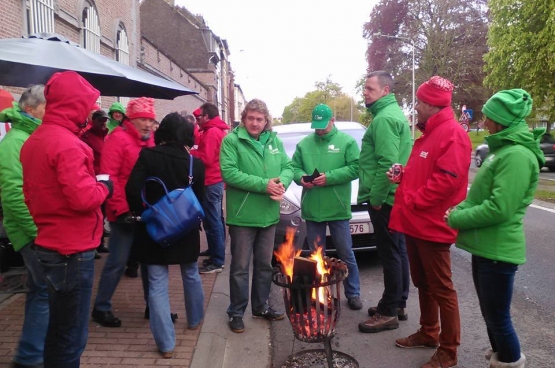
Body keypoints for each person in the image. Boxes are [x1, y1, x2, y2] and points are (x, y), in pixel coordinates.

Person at [19, 71, 112, 368]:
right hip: (72, 250)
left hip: (49, 241)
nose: (89, 111)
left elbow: (32, 193)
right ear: (74, 105)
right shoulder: (69, 144)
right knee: (70, 337)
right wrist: (104, 186)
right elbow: (83, 199)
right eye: (86, 104)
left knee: (58, 330)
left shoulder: (35, 140)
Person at [446, 89, 540, 368]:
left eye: (488, 117)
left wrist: (456, 219)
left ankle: (510, 362)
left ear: (501, 119)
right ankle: (502, 360)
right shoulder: (503, 151)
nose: (484, 122)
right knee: (491, 316)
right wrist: (458, 209)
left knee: (498, 319)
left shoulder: (517, 156)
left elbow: (500, 208)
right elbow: (479, 196)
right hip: (486, 248)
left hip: (498, 251)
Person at [389, 76, 471, 368]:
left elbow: (447, 180)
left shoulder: (452, 134)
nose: (416, 108)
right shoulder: (430, 133)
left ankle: (448, 352)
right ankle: (428, 333)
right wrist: (404, 175)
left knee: (441, 288)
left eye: (419, 103)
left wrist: (415, 200)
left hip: (432, 225)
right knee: (423, 282)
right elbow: (427, 170)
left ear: (432, 105)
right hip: (416, 222)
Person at [126, 112, 205, 359]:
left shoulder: (148, 156)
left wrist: (144, 213)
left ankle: (166, 344)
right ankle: (194, 320)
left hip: (156, 229)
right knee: (190, 273)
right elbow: (199, 199)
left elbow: (131, 189)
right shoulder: (196, 164)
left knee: (158, 283)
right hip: (186, 228)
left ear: (163, 132)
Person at [220, 98, 293, 333]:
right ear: (243, 119)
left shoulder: (274, 141)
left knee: (264, 265)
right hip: (243, 216)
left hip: (269, 215)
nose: (254, 123)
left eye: (259, 119)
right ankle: (236, 312)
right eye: (250, 118)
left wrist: (282, 184)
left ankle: (260, 307)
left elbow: (288, 167)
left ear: (266, 121)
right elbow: (229, 173)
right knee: (240, 267)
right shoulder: (232, 141)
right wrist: (265, 185)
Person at [91, 97, 156, 328]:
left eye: (150, 119)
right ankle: (101, 307)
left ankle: (153, 307)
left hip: (146, 211)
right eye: (143, 119)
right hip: (124, 213)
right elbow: (109, 177)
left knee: (150, 262)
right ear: (131, 119)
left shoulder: (149, 141)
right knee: (117, 261)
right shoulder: (117, 139)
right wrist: (120, 209)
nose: (148, 124)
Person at [291, 103, 363, 310]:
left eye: (323, 125)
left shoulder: (346, 142)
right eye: (317, 126)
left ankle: (353, 292)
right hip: (313, 208)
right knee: (316, 256)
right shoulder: (304, 144)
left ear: (333, 120)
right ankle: (319, 293)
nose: (319, 129)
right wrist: (301, 178)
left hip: (337, 207)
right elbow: (294, 167)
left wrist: (329, 178)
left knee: (345, 252)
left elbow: (356, 168)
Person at [357, 71, 412, 333]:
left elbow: (387, 164)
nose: (365, 93)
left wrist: (377, 199)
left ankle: (388, 311)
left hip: (385, 198)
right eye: (365, 89)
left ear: (385, 90)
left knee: (390, 254)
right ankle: (397, 303)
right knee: (398, 250)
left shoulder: (384, 119)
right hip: (394, 196)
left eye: (369, 89)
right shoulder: (391, 115)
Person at [0, 85, 48, 368]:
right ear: (30, 110)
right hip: (30, 231)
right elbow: (13, 195)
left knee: (39, 289)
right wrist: (36, 232)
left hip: (36, 228)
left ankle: (31, 352)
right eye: (46, 108)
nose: (50, 114)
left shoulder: (29, 137)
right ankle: (30, 357)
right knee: (43, 290)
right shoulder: (15, 142)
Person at [191, 102, 228, 274]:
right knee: (216, 219)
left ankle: (217, 260)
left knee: (212, 221)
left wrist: (190, 152)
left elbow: (206, 159)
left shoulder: (212, 132)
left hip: (211, 181)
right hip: (214, 180)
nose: (198, 120)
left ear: (207, 116)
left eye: (200, 117)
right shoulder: (214, 130)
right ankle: (215, 252)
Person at [81, 110, 110, 255]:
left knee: (103, 213)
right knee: (95, 214)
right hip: (94, 179)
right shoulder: (87, 137)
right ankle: (93, 246)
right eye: (101, 120)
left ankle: (99, 243)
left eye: (105, 120)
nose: (103, 123)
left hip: (104, 179)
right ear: (94, 121)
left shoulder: (105, 137)